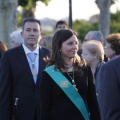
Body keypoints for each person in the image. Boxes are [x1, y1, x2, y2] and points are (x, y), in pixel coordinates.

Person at [40, 29, 100, 120]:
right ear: (59, 46)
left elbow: (93, 102)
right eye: (70, 43)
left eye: (76, 43)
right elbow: (45, 109)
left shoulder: (85, 69)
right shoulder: (49, 74)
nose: (75, 47)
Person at [0, 18, 50, 120]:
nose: (32, 33)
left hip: (45, 113)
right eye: (28, 30)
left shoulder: (50, 55)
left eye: (35, 30)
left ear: (41, 34)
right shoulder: (9, 56)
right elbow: (4, 91)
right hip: (19, 114)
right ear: (22, 34)